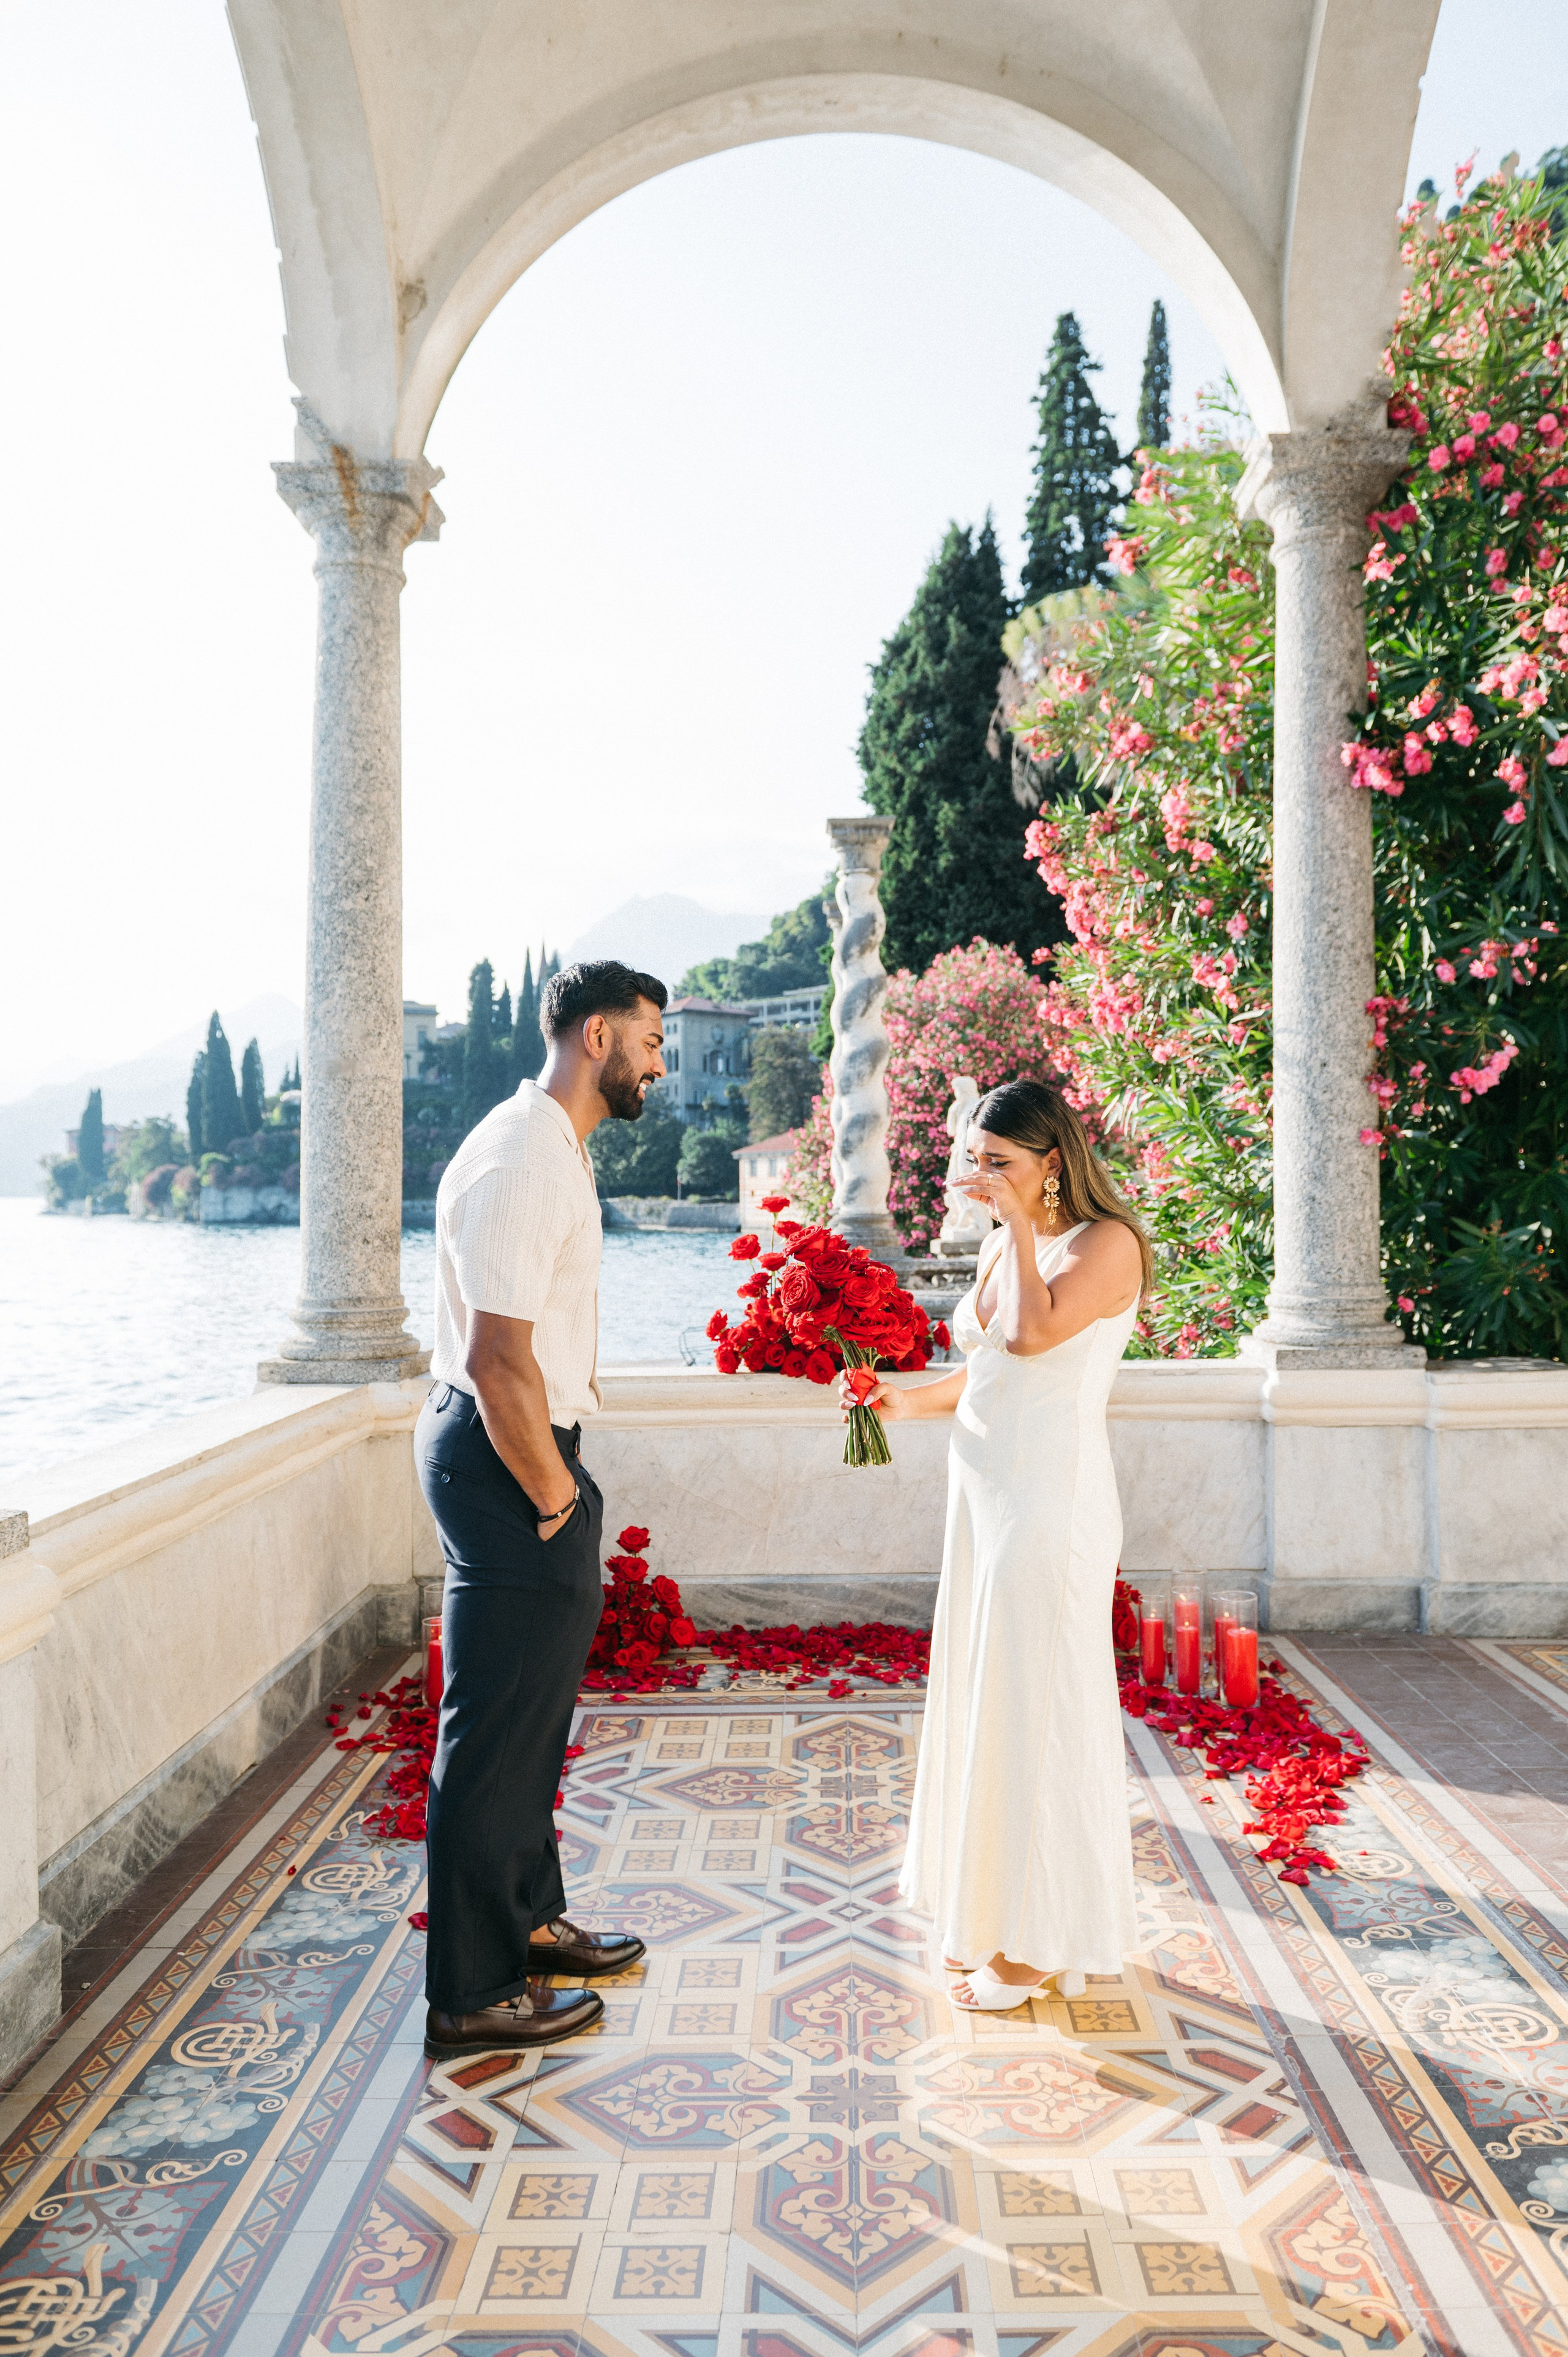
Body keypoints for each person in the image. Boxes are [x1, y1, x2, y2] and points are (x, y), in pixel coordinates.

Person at [842, 1077, 1152, 2012]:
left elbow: (1028, 1335)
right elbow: (983, 1373)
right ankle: (990, 1915)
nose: (978, 1178)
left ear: (1051, 1161)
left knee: (1040, 1711)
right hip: (983, 1499)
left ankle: (1039, 1944)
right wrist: (901, 1402)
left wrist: (1016, 1223)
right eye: (973, 1160)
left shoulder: (1105, 1244)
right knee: (991, 1702)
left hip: (1049, 1505)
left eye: (999, 1163)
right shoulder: (996, 1242)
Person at [416, 959, 668, 2056]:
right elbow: (498, 1359)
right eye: (650, 1041)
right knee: (493, 1733)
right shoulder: (523, 1159)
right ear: (597, 1036)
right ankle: (472, 1995)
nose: (659, 1064)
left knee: (529, 1720)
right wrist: (558, 1499)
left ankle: (526, 1921)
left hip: (518, 1452)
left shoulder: (550, 1148)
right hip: (507, 1458)